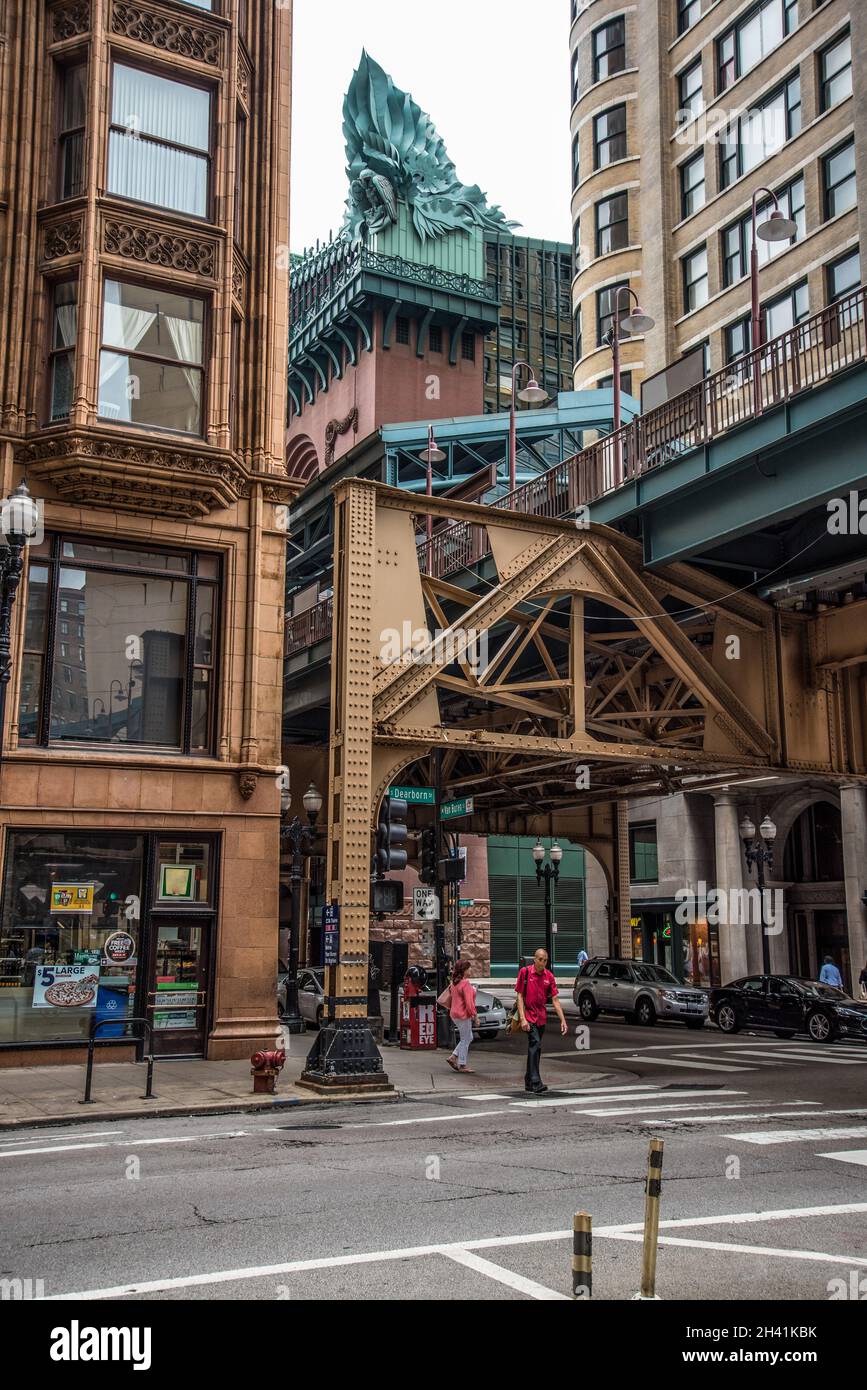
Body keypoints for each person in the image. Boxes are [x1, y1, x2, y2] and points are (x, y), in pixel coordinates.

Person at [515, 948, 568, 1094]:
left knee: (536, 1049)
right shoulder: (525, 972)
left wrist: (562, 1020)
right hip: (529, 1016)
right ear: (534, 959)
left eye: (545, 960)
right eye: (540, 959)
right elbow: (519, 996)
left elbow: (555, 1000)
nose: (542, 963)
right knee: (535, 1044)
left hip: (541, 1017)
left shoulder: (549, 976)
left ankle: (528, 1080)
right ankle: (536, 1081)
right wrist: (523, 1018)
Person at [445, 959, 478, 1074]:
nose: (470, 970)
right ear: (464, 970)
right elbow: (469, 1003)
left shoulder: (454, 983)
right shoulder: (465, 983)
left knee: (468, 1037)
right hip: (463, 1015)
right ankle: (462, 1064)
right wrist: (475, 1016)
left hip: (454, 1014)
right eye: (469, 968)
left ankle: (453, 1057)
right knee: (465, 1039)